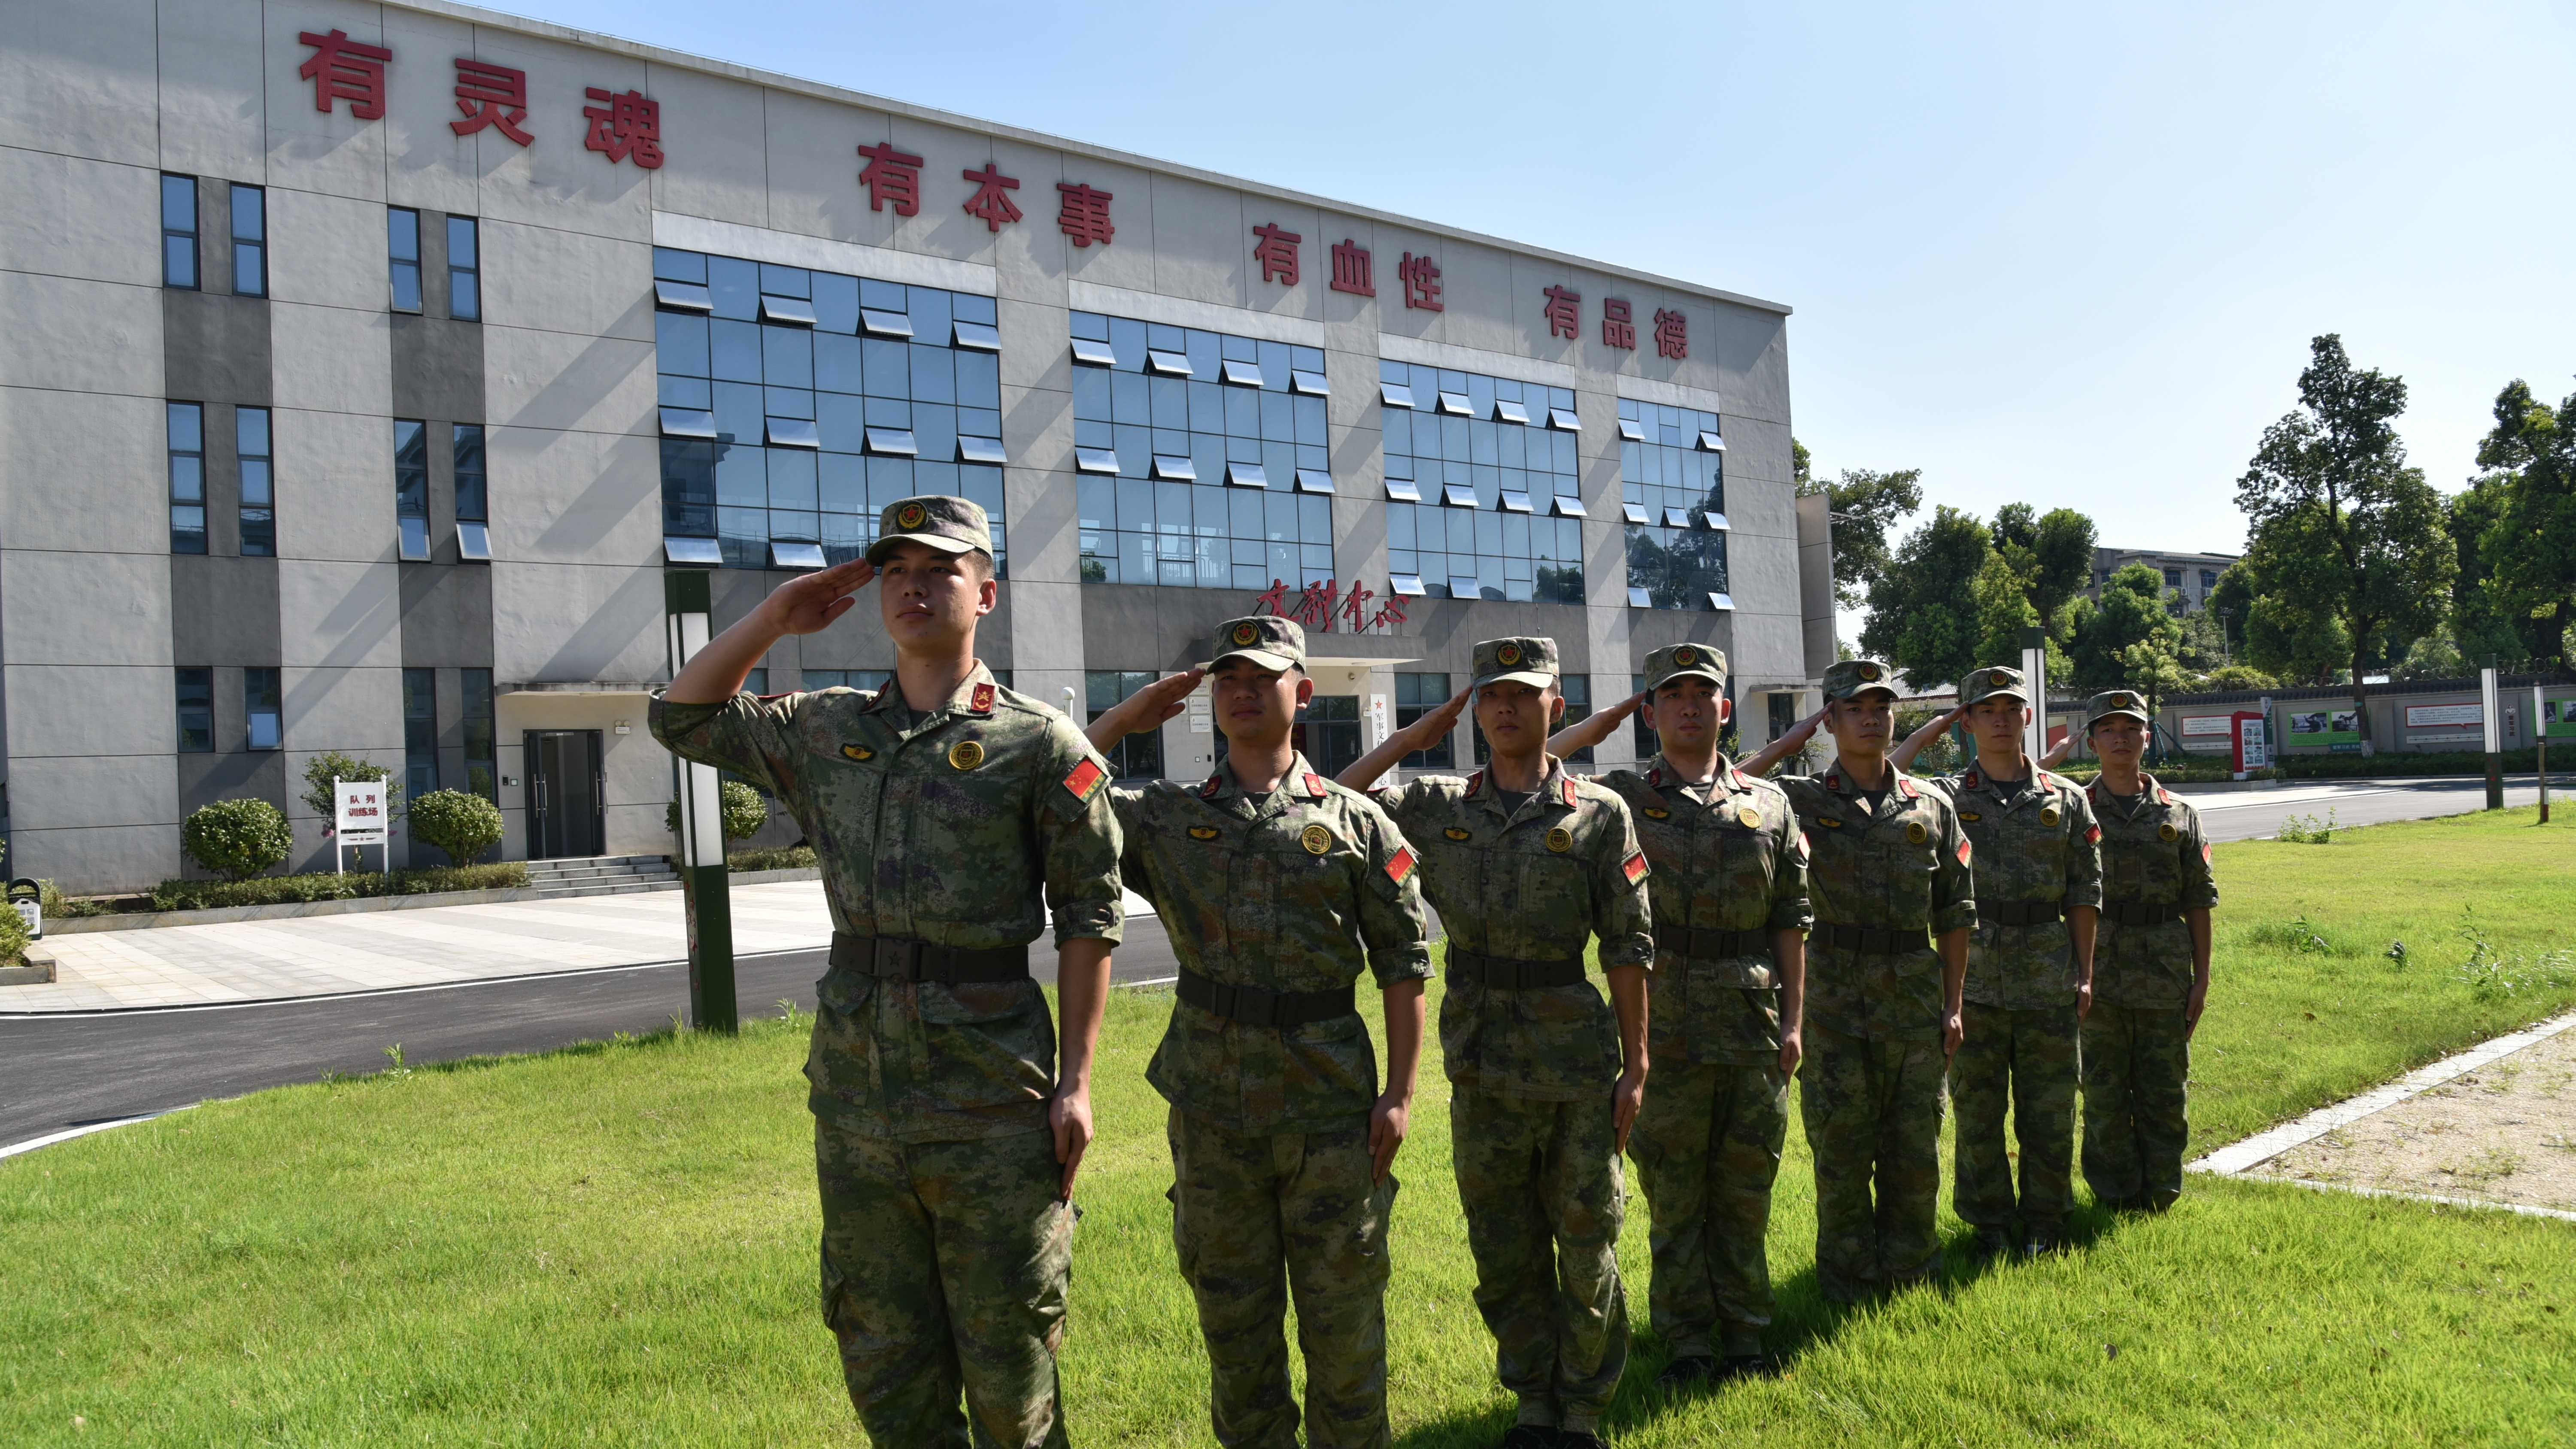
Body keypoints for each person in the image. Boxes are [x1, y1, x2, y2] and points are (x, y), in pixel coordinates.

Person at [650, 495, 1123, 1449]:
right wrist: (775, 617)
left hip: (993, 1103)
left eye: (939, 569)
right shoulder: (825, 729)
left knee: (1010, 1374)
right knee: (883, 1363)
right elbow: (679, 717)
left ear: (985, 592)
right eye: (896, 569)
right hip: (860, 1105)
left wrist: (1075, 1081)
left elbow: (1089, 915)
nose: (913, 584)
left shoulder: (1041, 743)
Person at [1080, 616, 1432, 1449]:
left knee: (1346, 1342)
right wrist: (1126, 716)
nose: (1241, 689)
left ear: (1301, 692)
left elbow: (1403, 963)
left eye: (1261, 676)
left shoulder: (1356, 821)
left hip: (1329, 1116)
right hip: (1212, 1117)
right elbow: (1061, 792)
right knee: (1238, 1347)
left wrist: (1402, 1094)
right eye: (1226, 677)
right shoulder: (1166, 818)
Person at [1339, 637, 1653, 1449]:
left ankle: (1581, 1406)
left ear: (1557, 705)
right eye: (1489, 695)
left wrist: (1638, 1065)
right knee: (1503, 1247)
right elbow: (1335, 799)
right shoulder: (1438, 805)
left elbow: (1627, 947)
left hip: (1577, 1065)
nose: (1505, 708)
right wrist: (1417, 732)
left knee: (1586, 1241)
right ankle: (1533, 1402)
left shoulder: (1597, 813)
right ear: (1472, 709)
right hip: (1481, 1064)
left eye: (1522, 693)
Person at [1543, 644, 1809, 1385]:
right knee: (1675, 1194)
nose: (1690, 705)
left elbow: (1791, 918)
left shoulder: (1771, 804)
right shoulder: (1621, 798)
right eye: (1672, 695)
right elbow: (1540, 762)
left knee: (1745, 1190)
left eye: (1704, 693)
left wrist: (1793, 1019)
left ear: (1725, 709)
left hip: (1752, 1026)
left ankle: (1749, 1337)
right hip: (1662, 1027)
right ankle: (1689, 1341)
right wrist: (1611, 718)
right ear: (1651, 709)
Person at [1767, 659, 1972, 1302]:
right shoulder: (1796, 799)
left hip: (1914, 1001)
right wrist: (1790, 741)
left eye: (1881, 706)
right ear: (1829, 720)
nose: (1871, 717)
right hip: (1832, 1003)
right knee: (1842, 1153)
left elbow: (1957, 911)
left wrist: (1954, 1005)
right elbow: (1723, 789)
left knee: (1915, 1148)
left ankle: (1912, 1274)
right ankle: (1849, 1283)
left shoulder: (1931, 805)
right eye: (1854, 708)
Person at [1883, 667, 2100, 1259]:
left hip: (2049, 976)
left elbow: (2084, 892)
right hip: (1972, 981)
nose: (2001, 720)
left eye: (2012, 709)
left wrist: (2085, 971)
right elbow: (1889, 774)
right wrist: (1932, 729)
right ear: (1969, 723)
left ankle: (2046, 1223)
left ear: (2028, 717)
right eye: (1986, 711)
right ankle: (1990, 1227)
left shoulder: (2067, 797)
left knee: (2050, 1112)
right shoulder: (1948, 796)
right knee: (1978, 1116)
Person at [2076, 688, 2216, 1213]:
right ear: (2092, 740)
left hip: (2163, 972)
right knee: (2105, 1092)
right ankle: (2114, 1197)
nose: (2120, 737)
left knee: (2163, 1091)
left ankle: (2160, 1193)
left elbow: (2198, 900)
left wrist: (2201, 979)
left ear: (2146, 738)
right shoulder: (2074, 808)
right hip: (2099, 971)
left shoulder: (2178, 813)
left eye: (2130, 728)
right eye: (2108, 729)